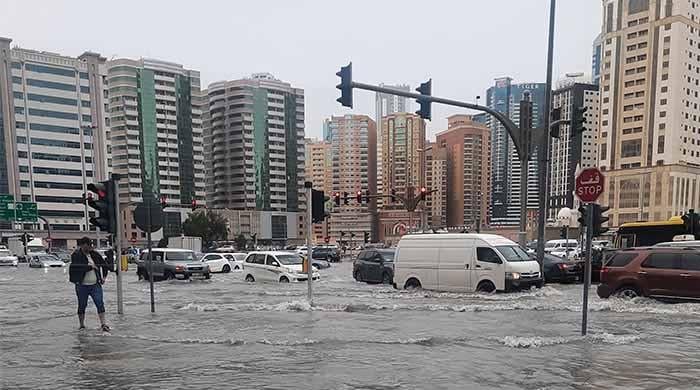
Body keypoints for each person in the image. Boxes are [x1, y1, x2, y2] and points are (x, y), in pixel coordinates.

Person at [69, 237, 110, 331]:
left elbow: (104, 265)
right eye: (88, 245)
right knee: (82, 305)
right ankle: (82, 325)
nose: (90, 247)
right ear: (83, 245)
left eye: (90, 245)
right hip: (81, 285)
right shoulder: (76, 255)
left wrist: (104, 277)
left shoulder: (95, 254)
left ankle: (103, 324)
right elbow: (78, 267)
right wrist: (91, 267)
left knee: (100, 303)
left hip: (95, 284)